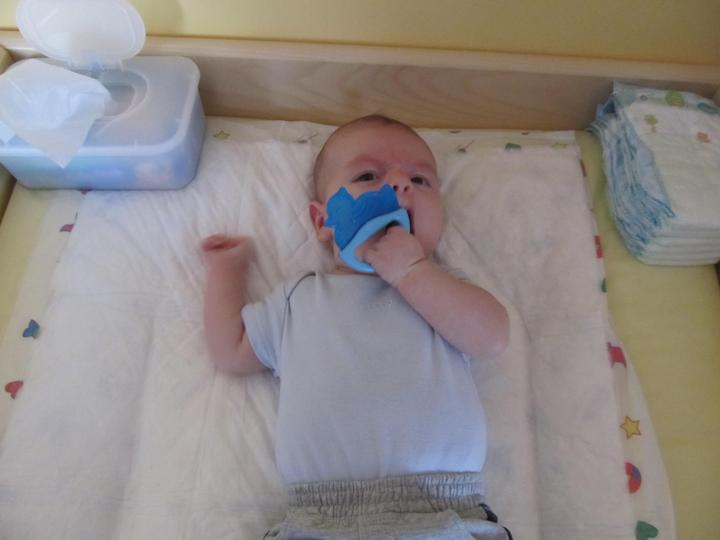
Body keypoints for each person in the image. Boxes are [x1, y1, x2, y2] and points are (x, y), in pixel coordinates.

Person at [201, 115, 512, 539]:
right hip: (323, 517)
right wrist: (227, 270)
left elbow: (492, 338)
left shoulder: (444, 292)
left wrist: (413, 272)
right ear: (322, 222)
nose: (399, 183)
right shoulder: (299, 299)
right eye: (368, 176)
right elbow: (231, 350)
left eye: (420, 180)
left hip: (442, 512)